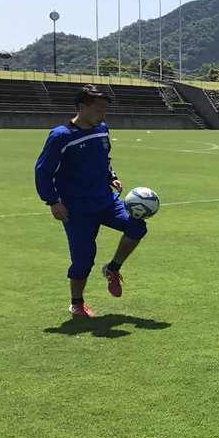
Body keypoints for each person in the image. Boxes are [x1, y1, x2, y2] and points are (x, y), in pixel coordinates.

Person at [34, 84, 149, 318]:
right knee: (83, 260)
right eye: (99, 110)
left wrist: (111, 176)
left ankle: (112, 268)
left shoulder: (102, 129)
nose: (103, 115)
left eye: (105, 110)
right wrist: (53, 201)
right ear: (82, 107)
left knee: (138, 226)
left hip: (106, 201)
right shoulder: (61, 137)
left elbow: (103, 158)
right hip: (76, 209)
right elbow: (43, 172)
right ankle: (77, 303)